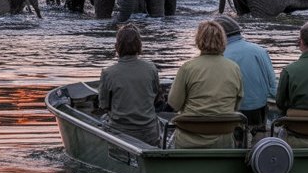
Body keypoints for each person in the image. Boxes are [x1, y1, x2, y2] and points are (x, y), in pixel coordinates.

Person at [167, 19, 244, 149]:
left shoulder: (187, 68)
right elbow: (237, 104)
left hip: (189, 139)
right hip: (223, 139)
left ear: (198, 40)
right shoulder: (234, 68)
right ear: (223, 40)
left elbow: (174, 104)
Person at [98, 23, 162, 146]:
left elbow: (104, 105)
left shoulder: (108, 73)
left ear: (117, 47)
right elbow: (156, 98)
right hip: (149, 134)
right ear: (140, 46)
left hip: (120, 134)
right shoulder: (151, 68)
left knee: (102, 120)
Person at [216, 14, 277, 130]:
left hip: (230, 113)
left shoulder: (219, 56)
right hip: (257, 111)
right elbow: (273, 87)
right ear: (239, 32)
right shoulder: (260, 51)